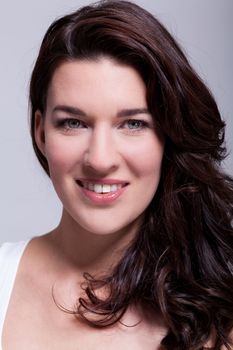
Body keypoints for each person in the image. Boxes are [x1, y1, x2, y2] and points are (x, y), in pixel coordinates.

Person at [0, 1, 233, 349]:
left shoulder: (219, 314)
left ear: (169, 135)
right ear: (40, 131)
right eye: (73, 123)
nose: (100, 159)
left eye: (133, 124)